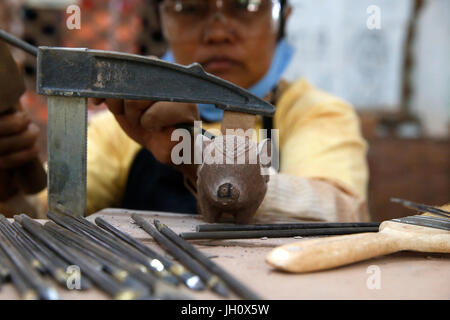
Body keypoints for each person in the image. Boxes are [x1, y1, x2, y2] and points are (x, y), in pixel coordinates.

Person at [0, 0, 370, 222]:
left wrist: (202, 158)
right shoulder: (124, 121)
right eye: (189, 8)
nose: (218, 33)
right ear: (164, 21)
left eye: (246, 5)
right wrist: (8, 188)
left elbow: (343, 213)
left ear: (282, 20)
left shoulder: (313, 113)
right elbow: (38, 215)